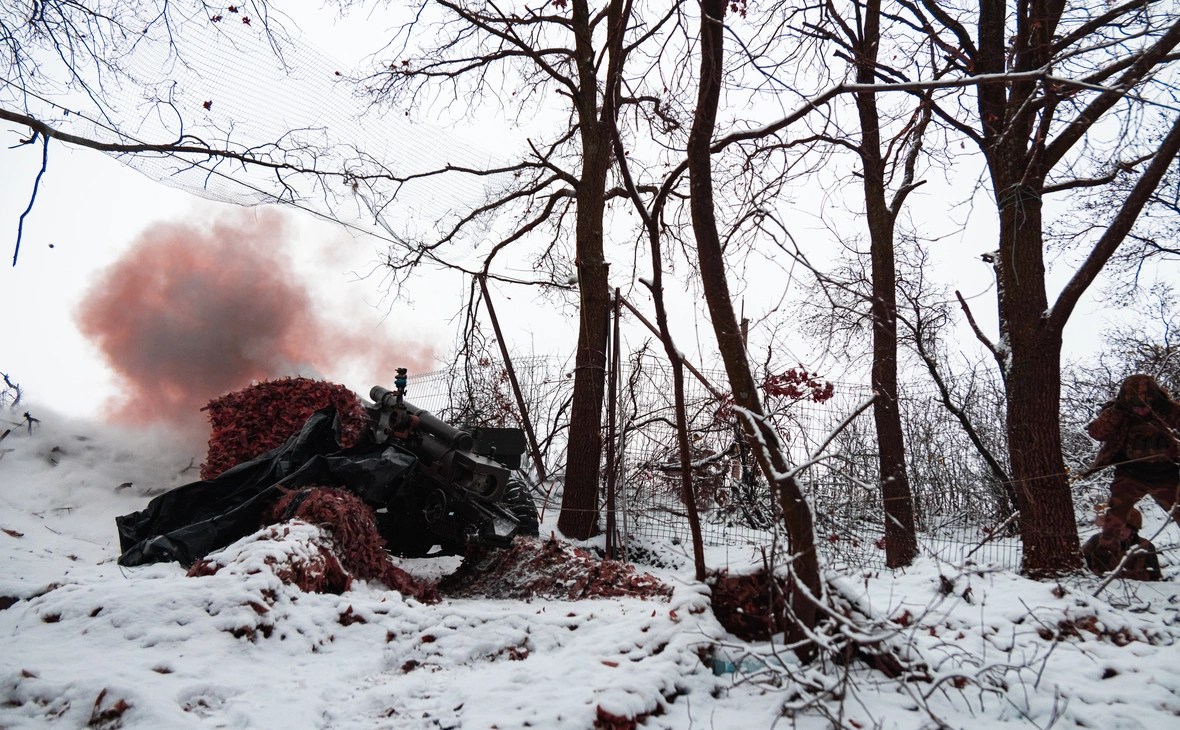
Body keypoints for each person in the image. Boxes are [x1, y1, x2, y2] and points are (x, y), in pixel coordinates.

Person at [1085, 374, 1180, 575]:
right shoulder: (1118, 413)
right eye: (1136, 405)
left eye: (1147, 404)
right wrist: (1118, 410)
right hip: (1131, 475)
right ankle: (1102, 565)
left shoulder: (1170, 411)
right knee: (1115, 518)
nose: (1141, 409)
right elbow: (1097, 432)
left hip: (1167, 474)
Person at [1081, 506, 1162, 581]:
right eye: (1118, 526)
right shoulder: (1097, 541)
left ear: (1133, 530)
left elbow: (1154, 577)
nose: (1121, 531)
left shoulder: (1146, 546)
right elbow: (1082, 566)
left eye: (1126, 527)